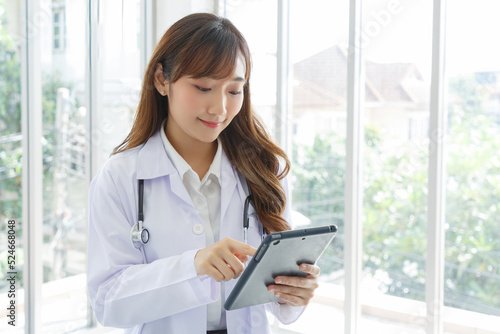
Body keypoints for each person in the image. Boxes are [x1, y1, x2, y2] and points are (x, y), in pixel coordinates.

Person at [87, 13, 321, 334]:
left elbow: (279, 295)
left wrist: (294, 295)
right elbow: (107, 301)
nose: (220, 108)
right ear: (161, 80)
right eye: (203, 87)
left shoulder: (265, 169)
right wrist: (193, 265)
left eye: (234, 91)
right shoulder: (120, 177)